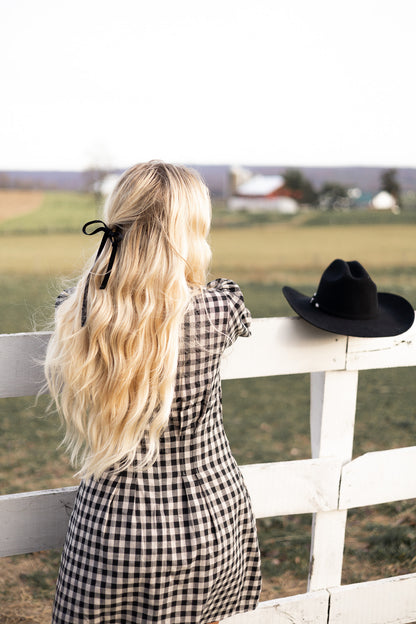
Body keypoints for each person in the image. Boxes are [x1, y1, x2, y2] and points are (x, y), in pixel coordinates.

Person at [45, 161, 262, 624]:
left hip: (113, 529)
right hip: (211, 517)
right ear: (189, 231)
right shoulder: (221, 307)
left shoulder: (76, 311)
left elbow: (105, 300)